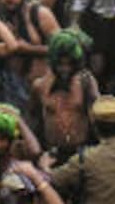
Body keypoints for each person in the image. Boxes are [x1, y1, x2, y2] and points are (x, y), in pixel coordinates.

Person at [29, 29, 99, 162]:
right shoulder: (39, 86)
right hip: (52, 153)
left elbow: (98, 117)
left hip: (82, 152)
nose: (65, 69)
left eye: (69, 64)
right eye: (60, 64)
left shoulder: (86, 82)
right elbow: (33, 116)